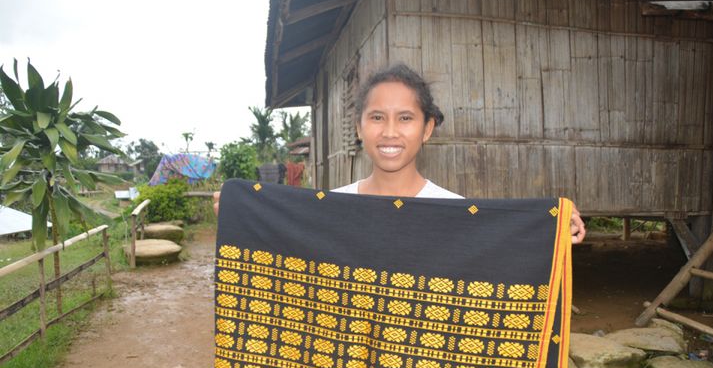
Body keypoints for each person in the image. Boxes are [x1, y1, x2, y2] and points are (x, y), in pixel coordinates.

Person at [213, 63, 586, 243]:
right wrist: (239, 210)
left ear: (426, 129)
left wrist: (551, 227)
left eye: (405, 118)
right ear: (359, 128)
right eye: (377, 117)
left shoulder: (454, 213)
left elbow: (500, 251)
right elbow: (286, 254)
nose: (389, 131)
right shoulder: (330, 209)